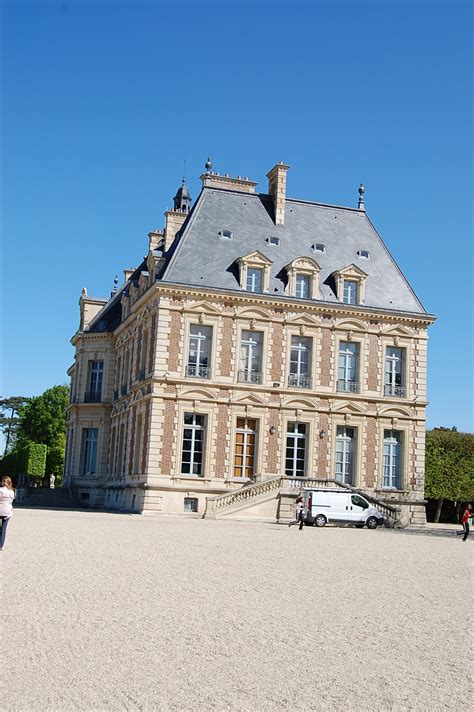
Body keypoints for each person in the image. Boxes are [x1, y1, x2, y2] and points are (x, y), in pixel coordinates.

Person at [0, 476, 15, 551]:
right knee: (3, 529)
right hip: (8, 511)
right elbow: (11, 502)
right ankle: (1, 545)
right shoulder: (12, 491)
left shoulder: (0, 490)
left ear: (3, 482)